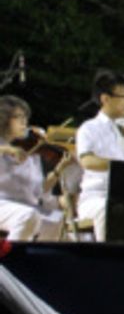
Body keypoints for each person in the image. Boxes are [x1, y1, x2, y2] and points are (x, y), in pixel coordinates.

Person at [75, 70, 124, 242]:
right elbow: (87, 161)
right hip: (98, 197)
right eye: (123, 96)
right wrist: (122, 167)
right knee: (110, 210)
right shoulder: (89, 128)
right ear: (105, 99)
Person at [0, 96, 68, 241]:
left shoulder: (30, 150)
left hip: (22, 205)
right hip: (2, 203)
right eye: (18, 117)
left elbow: (39, 190)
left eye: (25, 117)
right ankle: (9, 259)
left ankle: (36, 261)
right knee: (27, 215)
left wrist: (59, 169)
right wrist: (7, 150)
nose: (24, 122)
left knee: (56, 220)